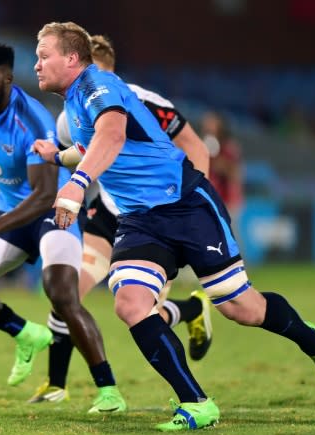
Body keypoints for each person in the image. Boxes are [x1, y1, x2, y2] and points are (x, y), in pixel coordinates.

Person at [32, 22, 315, 431]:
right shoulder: (74, 99)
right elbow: (93, 145)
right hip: (141, 220)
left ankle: (313, 342)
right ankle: (197, 403)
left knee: (240, 308)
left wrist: (75, 185)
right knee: (130, 304)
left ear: (71, 59)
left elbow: (112, 134)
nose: (36, 64)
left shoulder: (98, 85)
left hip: (185, 206)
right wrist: (58, 158)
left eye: (43, 55)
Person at [30, 35, 214, 403]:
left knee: (145, 313)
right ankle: (58, 383)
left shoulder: (144, 100)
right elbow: (81, 153)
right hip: (109, 216)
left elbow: (193, 144)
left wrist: (196, 201)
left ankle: (192, 310)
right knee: (68, 293)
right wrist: (57, 160)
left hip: (160, 216)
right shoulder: (70, 113)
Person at [0, 42, 126, 413]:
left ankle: (108, 390)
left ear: (8, 79)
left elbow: (45, 194)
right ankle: (25, 334)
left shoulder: (32, 119)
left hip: (53, 214)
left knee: (61, 294)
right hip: (11, 214)